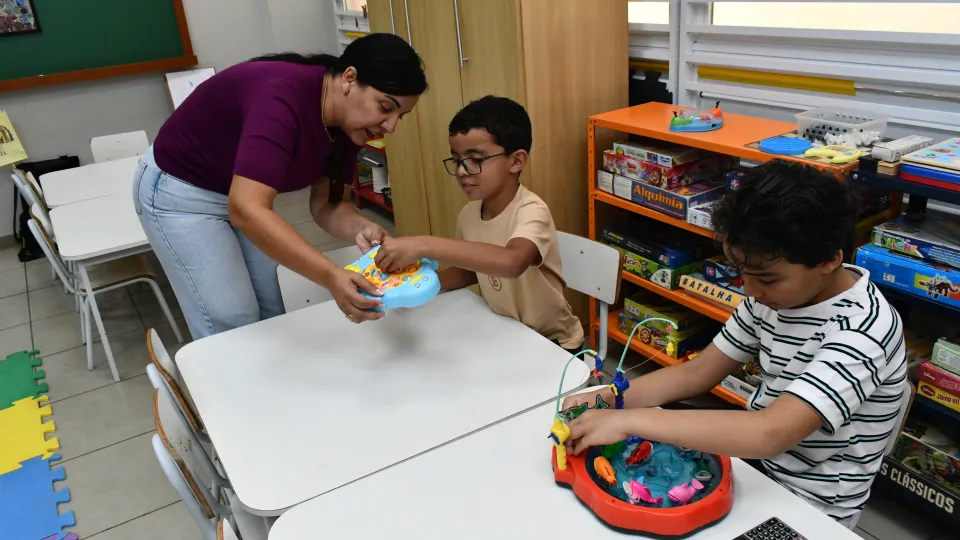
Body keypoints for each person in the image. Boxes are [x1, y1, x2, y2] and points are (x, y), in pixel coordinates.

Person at [562, 160, 906, 527]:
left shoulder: (863, 331)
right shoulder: (773, 298)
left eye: (767, 279)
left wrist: (630, 421)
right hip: (757, 471)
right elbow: (698, 372)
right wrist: (610, 399)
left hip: (812, 507)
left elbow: (769, 432)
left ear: (830, 260)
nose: (751, 290)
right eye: (742, 273)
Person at [134, 34, 427, 338]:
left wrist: (360, 226)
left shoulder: (347, 125)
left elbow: (327, 205)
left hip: (238, 194)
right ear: (349, 79)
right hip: (180, 192)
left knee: (272, 304)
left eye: (399, 116)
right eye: (385, 107)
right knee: (232, 316)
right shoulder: (281, 98)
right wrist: (331, 275)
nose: (390, 126)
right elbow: (247, 209)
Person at [372, 96, 584, 354]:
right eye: (457, 160)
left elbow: (511, 262)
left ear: (516, 161)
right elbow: (469, 271)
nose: (462, 171)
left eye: (475, 159)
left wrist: (424, 244)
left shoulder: (531, 211)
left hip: (553, 343)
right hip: (506, 331)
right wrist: (412, 287)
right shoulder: (469, 213)